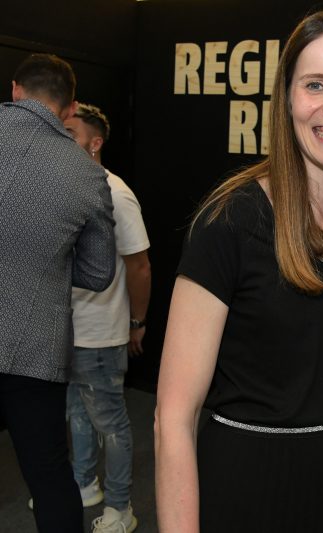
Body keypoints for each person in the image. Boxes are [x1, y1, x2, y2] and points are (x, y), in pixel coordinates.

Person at [154, 8, 323, 532]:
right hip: (248, 496)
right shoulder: (230, 222)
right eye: (316, 85)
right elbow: (172, 419)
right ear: (287, 98)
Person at [0, 53, 116, 533]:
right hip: (34, 348)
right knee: (49, 474)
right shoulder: (86, 173)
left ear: (15, 90)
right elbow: (98, 274)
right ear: (69, 108)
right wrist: (48, 263)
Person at [63, 102, 150, 532]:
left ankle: (120, 508)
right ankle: (84, 484)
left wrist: (137, 323)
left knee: (111, 423)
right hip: (66, 332)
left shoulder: (116, 193)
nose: (60, 139)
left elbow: (140, 266)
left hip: (100, 335)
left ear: (95, 143)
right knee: (76, 413)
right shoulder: (63, 187)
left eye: (71, 133)